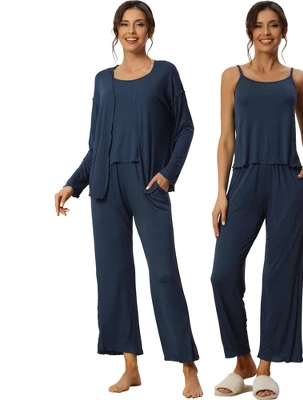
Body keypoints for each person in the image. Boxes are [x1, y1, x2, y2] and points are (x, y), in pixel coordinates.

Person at [53, 1, 202, 398]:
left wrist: (168, 174)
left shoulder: (165, 73)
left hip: (148, 185)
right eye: (124, 24)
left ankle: (188, 367)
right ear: (116, 30)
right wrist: (73, 184)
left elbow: (186, 128)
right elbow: (95, 145)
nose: (131, 31)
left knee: (164, 274)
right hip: (105, 187)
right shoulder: (102, 80)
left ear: (150, 30)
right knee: (114, 277)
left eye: (139, 24)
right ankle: (131, 367)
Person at [210, 1, 303, 398]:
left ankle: (266, 366)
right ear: (249, 32)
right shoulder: (232, 76)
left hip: (287, 180)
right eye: (259, 26)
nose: (266, 32)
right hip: (244, 178)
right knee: (222, 274)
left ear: (283, 31)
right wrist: (220, 193)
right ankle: (242, 362)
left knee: (278, 275)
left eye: (273, 25)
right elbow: (226, 139)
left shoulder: (298, 78)